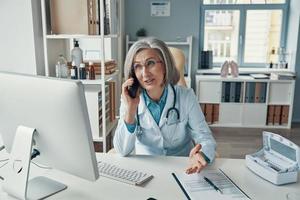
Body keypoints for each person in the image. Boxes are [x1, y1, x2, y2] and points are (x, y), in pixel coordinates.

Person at [113, 38, 216, 174]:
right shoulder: (129, 98)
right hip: (147, 169)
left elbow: (205, 137)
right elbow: (122, 150)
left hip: (182, 168)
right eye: (137, 66)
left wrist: (202, 154)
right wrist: (131, 109)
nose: (145, 73)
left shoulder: (186, 96)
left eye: (150, 63)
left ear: (165, 65)